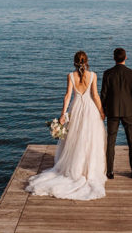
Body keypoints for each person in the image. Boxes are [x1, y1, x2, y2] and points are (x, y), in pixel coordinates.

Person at [25, 51, 107, 200]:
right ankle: (88, 170)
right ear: (87, 61)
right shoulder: (93, 75)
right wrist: (101, 111)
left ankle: (75, 168)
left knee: (74, 139)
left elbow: (68, 96)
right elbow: (95, 95)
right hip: (89, 110)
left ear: (74, 62)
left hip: (76, 109)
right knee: (89, 140)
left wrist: (63, 114)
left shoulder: (70, 76)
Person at [100, 47, 132, 179]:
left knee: (111, 141)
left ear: (114, 58)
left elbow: (103, 94)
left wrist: (103, 110)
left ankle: (110, 171)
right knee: (131, 141)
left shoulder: (107, 73)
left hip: (112, 111)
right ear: (125, 57)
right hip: (129, 111)